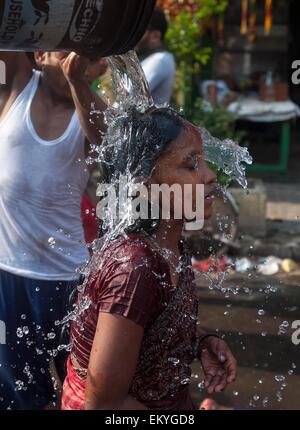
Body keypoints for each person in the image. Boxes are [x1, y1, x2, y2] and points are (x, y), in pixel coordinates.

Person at [61, 107, 237, 410]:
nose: (210, 176)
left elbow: (147, 325)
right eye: (191, 164)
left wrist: (201, 341)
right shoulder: (135, 268)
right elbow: (103, 406)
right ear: (145, 184)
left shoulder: (168, 245)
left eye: (203, 161)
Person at [0, 51, 107, 410]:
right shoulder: (17, 82)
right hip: (6, 272)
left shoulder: (91, 111)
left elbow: (113, 146)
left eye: (87, 56)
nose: (72, 61)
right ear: (39, 52)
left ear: (100, 67)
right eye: (65, 50)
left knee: (83, 387)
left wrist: (78, 81)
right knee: (16, 392)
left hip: (66, 278)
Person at [136, 8, 176, 106]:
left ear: (155, 36)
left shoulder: (160, 60)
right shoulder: (153, 58)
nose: (134, 36)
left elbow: (130, 97)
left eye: (139, 30)